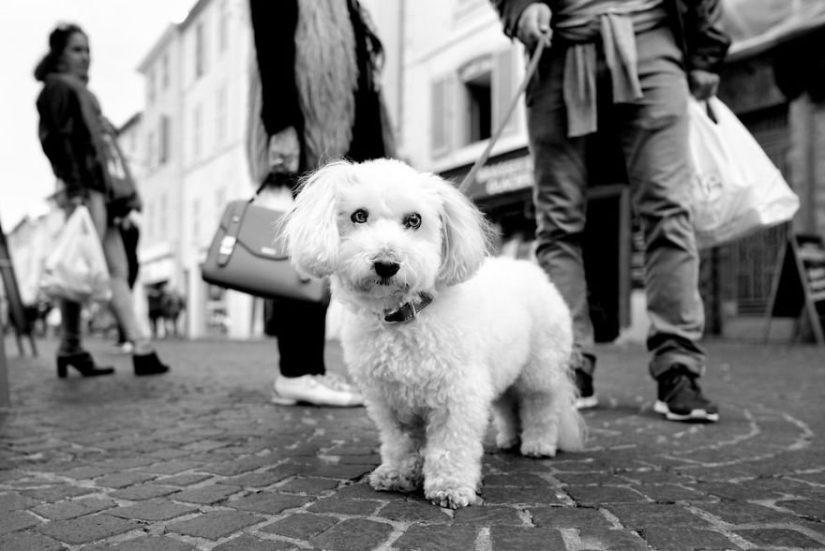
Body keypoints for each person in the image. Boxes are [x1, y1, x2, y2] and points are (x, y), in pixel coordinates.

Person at [490, 0, 730, 422]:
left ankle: (679, 367)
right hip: (559, 44)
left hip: (652, 36)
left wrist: (706, 51)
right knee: (557, 222)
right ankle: (567, 363)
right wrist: (521, 8)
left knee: (668, 211)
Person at [248, 0, 395, 406]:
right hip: (312, 133)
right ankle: (294, 371)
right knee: (307, 249)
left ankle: (311, 368)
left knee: (329, 257)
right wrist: (280, 127)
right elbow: (272, 48)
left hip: (347, 135)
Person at [35, 23, 169, 377]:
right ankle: (74, 347)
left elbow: (103, 150)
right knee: (79, 268)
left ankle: (140, 348)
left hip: (103, 193)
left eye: (88, 49)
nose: (85, 56)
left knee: (116, 270)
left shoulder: (83, 93)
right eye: (77, 49)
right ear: (59, 53)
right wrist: (76, 189)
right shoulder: (57, 89)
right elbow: (58, 143)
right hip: (85, 190)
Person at [114, 211, 140, 353]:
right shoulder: (118, 227)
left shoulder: (132, 228)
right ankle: (125, 337)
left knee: (125, 300)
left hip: (128, 266)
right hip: (120, 265)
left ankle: (130, 337)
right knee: (121, 301)